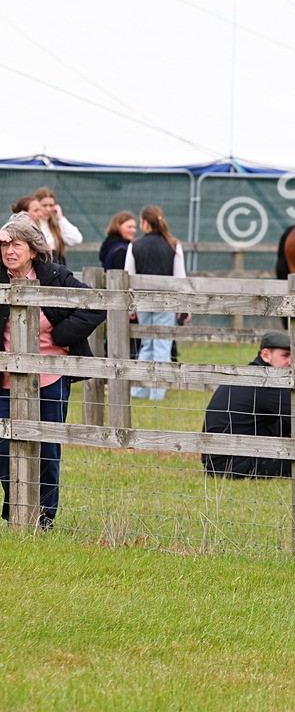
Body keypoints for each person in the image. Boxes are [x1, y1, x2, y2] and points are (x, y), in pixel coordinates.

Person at [0, 212, 104, 530]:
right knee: (4, 449)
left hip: (50, 377)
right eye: (3, 245)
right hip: (4, 380)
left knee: (47, 450)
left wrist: (60, 336)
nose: (9, 251)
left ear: (32, 249)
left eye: (15, 244)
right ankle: (16, 512)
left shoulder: (55, 276)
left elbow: (95, 305)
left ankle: (44, 518)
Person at [202, 331, 295, 478]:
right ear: (265, 355)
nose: (291, 362)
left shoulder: (247, 374)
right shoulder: (268, 383)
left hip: (217, 462)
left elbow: (285, 423)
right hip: (236, 465)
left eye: (294, 356)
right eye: (285, 355)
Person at [124, 206, 186, 400]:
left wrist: (130, 306)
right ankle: (157, 392)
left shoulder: (135, 246)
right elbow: (180, 279)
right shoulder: (174, 245)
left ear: (145, 223)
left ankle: (139, 389)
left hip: (143, 302)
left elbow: (129, 277)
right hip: (166, 302)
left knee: (146, 344)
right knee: (162, 346)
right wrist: (183, 306)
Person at [33, 187, 83, 265]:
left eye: (51, 205)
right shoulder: (31, 225)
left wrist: (60, 218)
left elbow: (77, 239)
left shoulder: (57, 226)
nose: (48, 209)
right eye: (44, 205)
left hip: (57, 271)